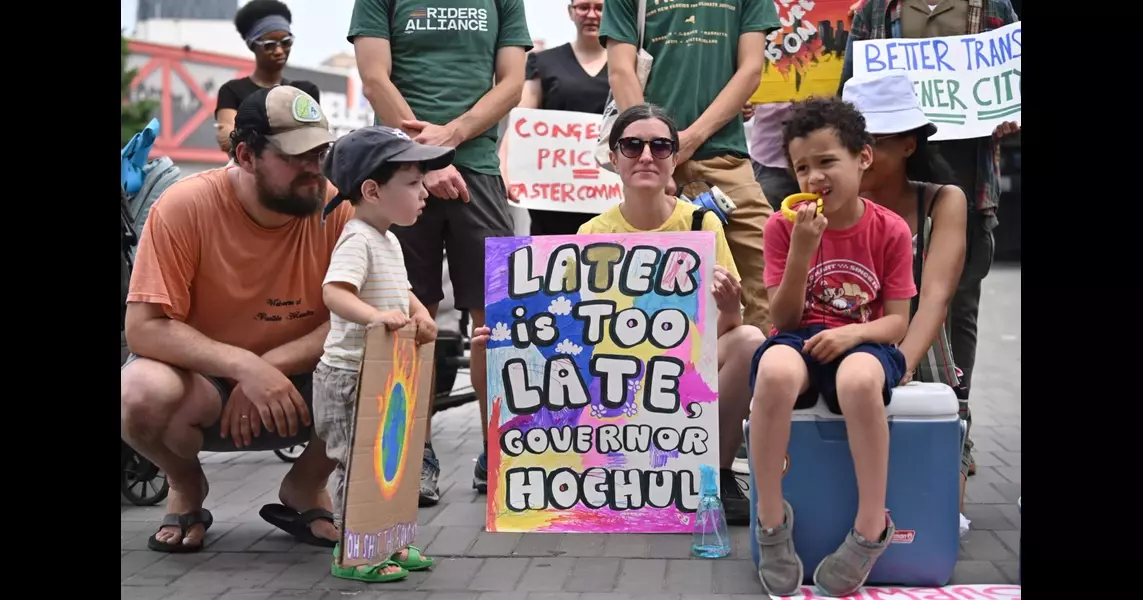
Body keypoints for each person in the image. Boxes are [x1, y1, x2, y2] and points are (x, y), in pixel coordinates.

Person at [121, 85, 350, 553]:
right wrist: (244, 366)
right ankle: (185, 487)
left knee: (396, 359)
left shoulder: (336, 206)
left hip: (308, 389)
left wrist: (274, 365)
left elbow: (357, 317)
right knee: (137, 392)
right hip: (207, 394)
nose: (314, 169)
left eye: (320, 153)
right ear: (245, 155)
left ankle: (306, 486)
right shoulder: (185, 206)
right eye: (296, 156)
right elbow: (143, 327)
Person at [348, 0, 533, 501]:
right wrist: (422, 160)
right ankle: (412, 453)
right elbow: (374, 78)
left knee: (496, 320)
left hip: (478, 170)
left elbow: (512, 83)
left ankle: (500, 450)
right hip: (397, 170)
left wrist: (451, 137)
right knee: (406, 316)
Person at [840, 0, 1021, 477]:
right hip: (881, 182)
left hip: (966, 180)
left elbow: (1012, 82)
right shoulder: (875, 10)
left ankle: (951, 423)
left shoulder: (993, 7)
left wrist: (1011, 115)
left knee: (957, 308)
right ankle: (874, 413)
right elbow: (847, 90)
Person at [748, 97, 916, 597]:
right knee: (775, 372)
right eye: (802, 167)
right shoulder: (783, 227)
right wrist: (801, 250)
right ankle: (771, 518)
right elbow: (782, 320)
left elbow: (896, 323)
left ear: (862, 158)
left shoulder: (890, 229)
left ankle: (870, 527)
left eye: (826, 162)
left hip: (863, 338)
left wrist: (851, 334)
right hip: (800, 336)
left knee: (858, 379)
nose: (813, 178)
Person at [574, 104, 766, 525]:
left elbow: (728, 330)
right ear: (613, 156)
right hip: (618, 380)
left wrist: (732, 308)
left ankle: (715, 474)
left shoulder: (701, 224)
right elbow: (576, 334)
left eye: (661, 146)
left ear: (674, 159)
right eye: (632, 145)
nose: (646, 155)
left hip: (684, 375)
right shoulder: (590, 235)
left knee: (751, 339)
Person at [314, 126, 453, 582]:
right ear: (372, 190)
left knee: (392, 462)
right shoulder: (358, 237)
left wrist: (418, 314)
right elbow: (334, 292)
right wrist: (374, 316)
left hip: (385, 374)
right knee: (358, 468)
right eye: (412, 184)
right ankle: (353, 551)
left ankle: (389, 539)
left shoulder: (389, 239)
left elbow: (405, 289)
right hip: (350, 376)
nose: (423, 193)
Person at [600, 0, 781, 334]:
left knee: (769, 279)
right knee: (641, 294)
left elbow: (752, 69)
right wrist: (655, 152)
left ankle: (767, 380)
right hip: (648, 165)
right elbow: (620, 71)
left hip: (723, 157)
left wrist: (688, 140)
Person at [842, 72, 972, 512]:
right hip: (841, 366)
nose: (863, 154)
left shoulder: (943, 202)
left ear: (909, 145)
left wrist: (899, 366)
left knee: (938, 514)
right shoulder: (826, 199)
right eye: (853, 140)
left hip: (921, 367)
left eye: (876, 141)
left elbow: (935, 296)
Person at [514, 0, 610, 236]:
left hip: (610, 192)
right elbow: (522, 119)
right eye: (583, 7)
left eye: (599, 8)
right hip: (552, 195)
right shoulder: (543, 61)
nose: (591, 14)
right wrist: (508, 170)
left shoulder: (629, 65)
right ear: (571, 12)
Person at [214, 0, 321, 154]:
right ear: (253, 45)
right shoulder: (232, 91)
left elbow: (314, 140)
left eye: (286, 42)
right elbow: (228, 141)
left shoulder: (305, 91)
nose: (279, 51)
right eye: (269, 45)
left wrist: (252, 137)